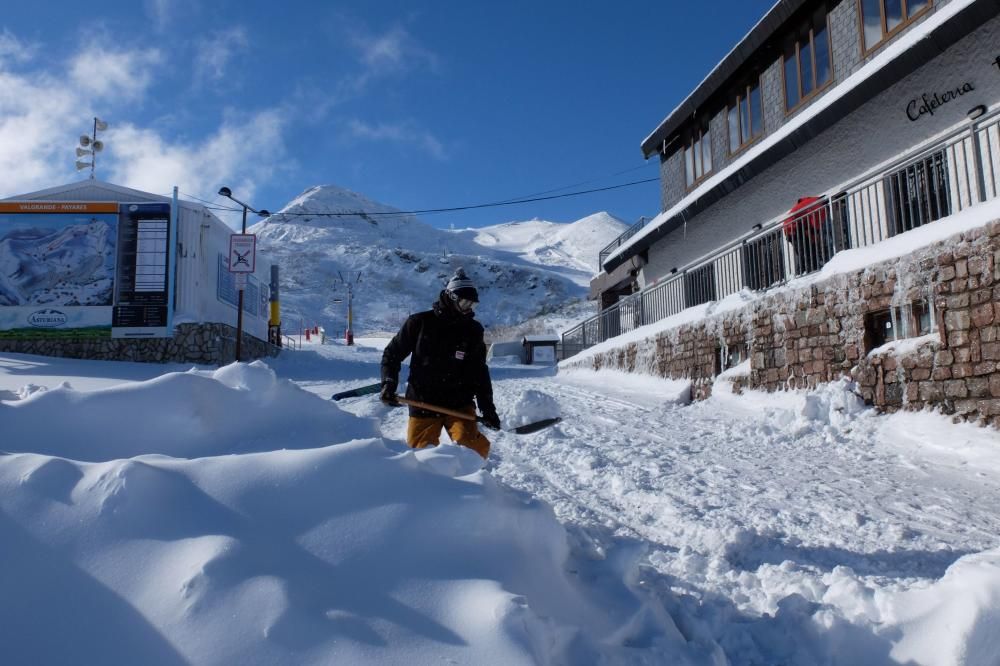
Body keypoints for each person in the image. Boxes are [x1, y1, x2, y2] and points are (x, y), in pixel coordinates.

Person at [380, 268, 501, 458]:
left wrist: (488, 409)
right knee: (420, 456)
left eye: (472, 304)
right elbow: (392, 354)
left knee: (472, 450)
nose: (468, 308)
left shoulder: (473, 330)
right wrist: (388, 382)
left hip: (459, 403)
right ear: (450, 297)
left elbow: (479, 372)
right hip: (422, 401)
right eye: (464, 302)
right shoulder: (419, 323)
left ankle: (474, 484)